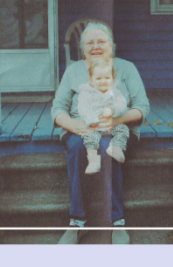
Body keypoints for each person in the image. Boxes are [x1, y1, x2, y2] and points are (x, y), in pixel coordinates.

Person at [51, 21, 149, 244]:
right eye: (89, 43)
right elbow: (57, 108)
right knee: (77, 146)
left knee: (107, 148)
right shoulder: (73, 71)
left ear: (111, 45)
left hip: (118, 129)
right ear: (82, 48)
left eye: (101, 41)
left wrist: (117, 119)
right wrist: (73, 125)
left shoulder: (127, 68)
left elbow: (143, 107)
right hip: (81, 127)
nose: (96, 46)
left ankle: (118, 222)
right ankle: (76, 222)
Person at [78, 59, 130, 175]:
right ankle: (93, 162)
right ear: (90, 80)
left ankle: (116, 148)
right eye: (98, 78)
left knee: (123, 129)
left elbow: (122, 104)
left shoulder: (115, 92)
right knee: (89, 139)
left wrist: (112, 110)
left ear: (112, 79)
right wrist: (91, 120)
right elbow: (83, 108)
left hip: (112, 125)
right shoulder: (86, 93)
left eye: (107, 78)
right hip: (94, 126)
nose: (103, 81)